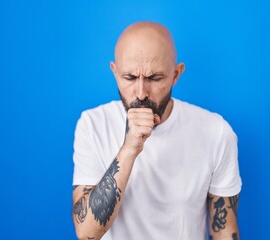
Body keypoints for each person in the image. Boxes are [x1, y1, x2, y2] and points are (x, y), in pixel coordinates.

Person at [72, 21, 242, 240]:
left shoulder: (216, 132)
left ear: (176, 74)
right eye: (130, 77)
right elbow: (87, 234)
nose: (141, 93)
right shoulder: (93, 124)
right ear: (115, 72)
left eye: (155, 78)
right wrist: (130, 147)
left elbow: (225, 230)